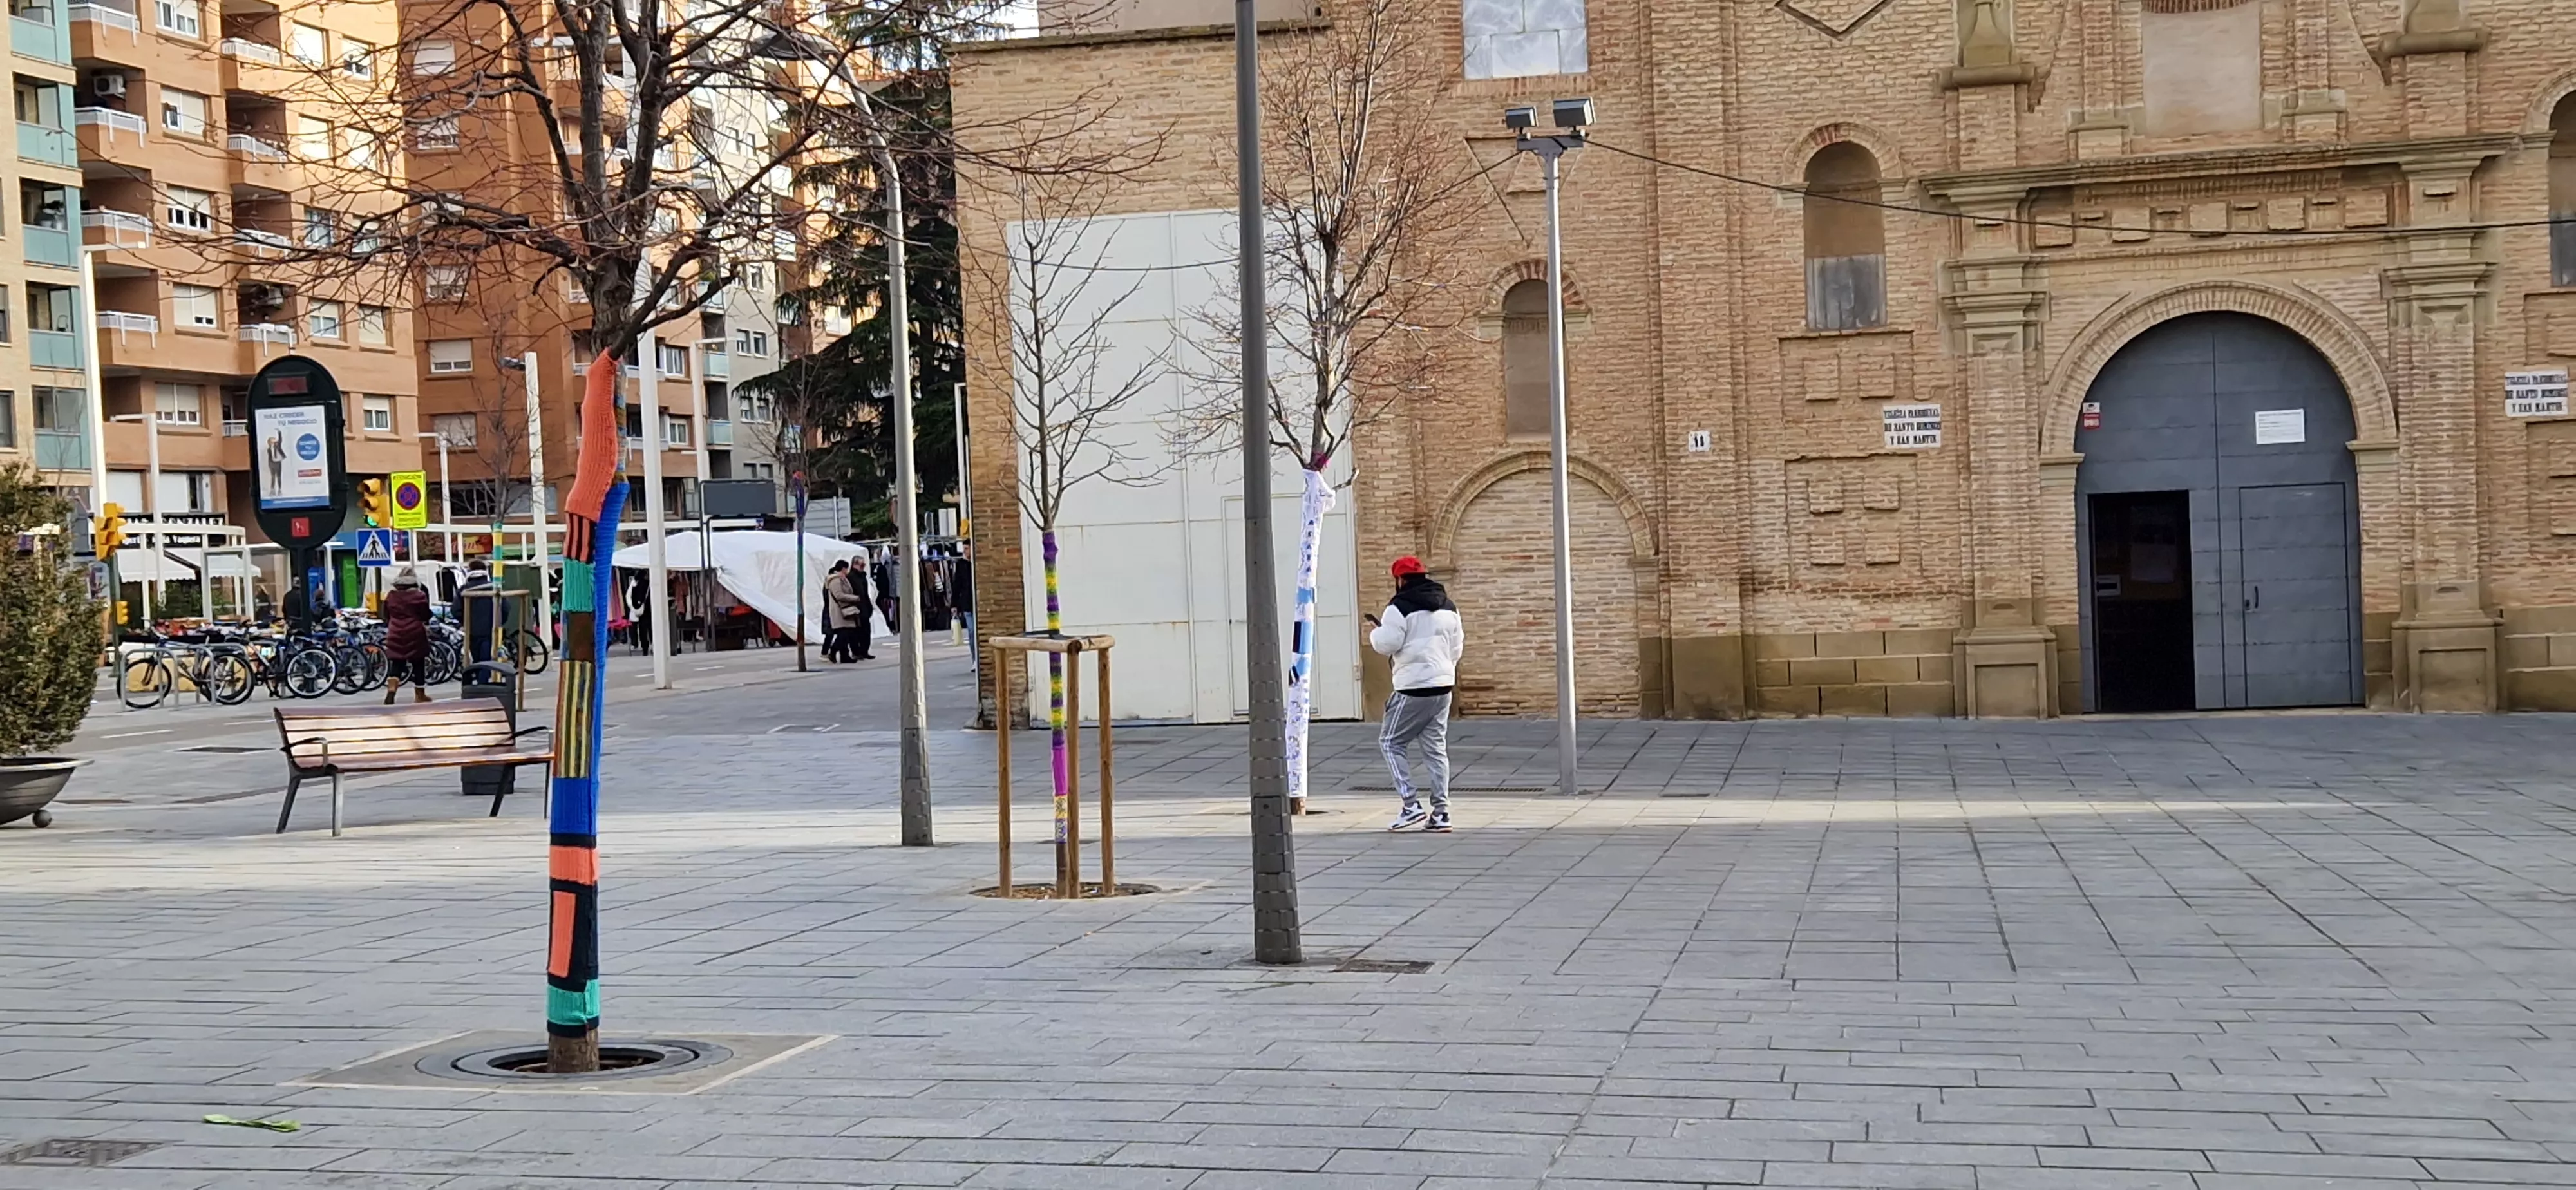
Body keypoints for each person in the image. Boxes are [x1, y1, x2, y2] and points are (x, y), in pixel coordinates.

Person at [1368, 555, 1465, 833]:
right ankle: (1442, 813)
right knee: (1435, 749)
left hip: (1413, 687)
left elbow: (1388, 644)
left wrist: (1376, 634)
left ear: (1399, 580)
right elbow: (1457, 647)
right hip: (1444, 684)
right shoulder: (1449, 606)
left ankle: (1410, 806)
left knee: (1390, 742)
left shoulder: (1398, 607)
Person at [382, 567, 434, 704]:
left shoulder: (391, 596)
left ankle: (391, 692)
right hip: (415, 631)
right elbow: (424, 615)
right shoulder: (419, 595)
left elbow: (385, 614)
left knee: (397, 663)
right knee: (418, 663)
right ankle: (420, 695)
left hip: (395, 631)